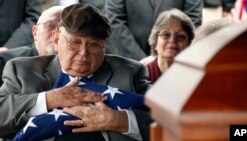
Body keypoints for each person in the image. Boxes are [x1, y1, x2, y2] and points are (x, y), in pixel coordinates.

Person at [0, 3, 151, 141]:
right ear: (56, 39)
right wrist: (49, 99)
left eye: (93, 45)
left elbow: (165, 121)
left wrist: (120, 120)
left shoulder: (130, 72)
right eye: (75, 42)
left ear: (104, 45)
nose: (83, 53)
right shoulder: (21, 71)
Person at [104, 0, 202, 61]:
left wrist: (167, 57)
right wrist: (141, 60)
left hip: (174, 63)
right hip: (128, 62)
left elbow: (193, 21)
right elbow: (114, 20)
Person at [0, 6, 64, 86]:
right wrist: (46, 98)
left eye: (63, 28)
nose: (56, 34)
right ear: (35, 32)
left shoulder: (80, 64)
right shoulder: (3, 61)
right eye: (50, 26)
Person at [146, 9, 195, 84]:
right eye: (166, 35)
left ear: (188, 44)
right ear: (155, 42)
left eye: (180, 36)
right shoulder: (141, 75)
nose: (172, 40)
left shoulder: (194, 76)